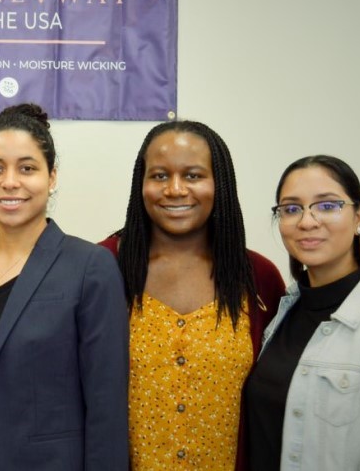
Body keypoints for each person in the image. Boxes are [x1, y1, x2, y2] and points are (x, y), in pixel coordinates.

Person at [0, 104, 128, 471]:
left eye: (27, 168)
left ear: (51, 177)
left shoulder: (90, 267)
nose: (9, 182)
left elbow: (107, 408)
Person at [99, 120, 284, 470]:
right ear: (141, 184)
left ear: (220, 184)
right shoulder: (102, 268)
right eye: (159, 176)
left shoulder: (259, 279)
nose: (175, 189)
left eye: (194, 175)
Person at [244, 155, 360, 470]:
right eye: (291, 209)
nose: (307, 221)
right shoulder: (284, 309)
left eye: (327, 205)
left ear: (358, 216)